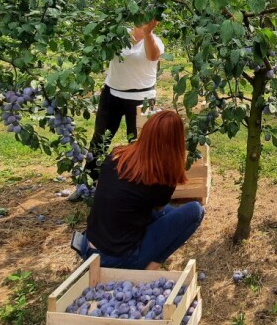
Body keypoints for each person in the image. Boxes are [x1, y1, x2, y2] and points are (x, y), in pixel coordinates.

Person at [76, 110, 204, 270]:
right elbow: (158, 206)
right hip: (115, 259)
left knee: (169, 212)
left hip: (88, 246)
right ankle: (150, 267)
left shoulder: (117, 155)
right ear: (177, 143)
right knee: (195, 211)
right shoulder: (160, 179)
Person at [70, 19, 164, 201]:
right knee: (99, 139)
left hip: (142, 98)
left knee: (139, 143)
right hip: (112, 95)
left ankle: (137, 189)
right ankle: (87, 184)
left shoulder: (155, 41)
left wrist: (148, 33)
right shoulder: (117, 35)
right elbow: (98, 50)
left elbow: (153, 56)